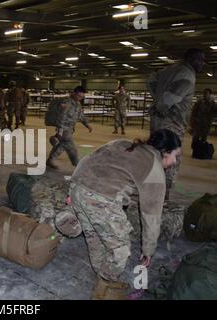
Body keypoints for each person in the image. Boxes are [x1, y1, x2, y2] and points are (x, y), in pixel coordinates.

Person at [69, 129, 182, 300]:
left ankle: (104, 277)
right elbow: (151, 217)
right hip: (101, 199)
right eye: (175, 156)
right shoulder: (155, 169)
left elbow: (88, 159)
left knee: (96, 238)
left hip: (78, 188)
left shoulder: (123, 143)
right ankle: (104, 289)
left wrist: (74, 190)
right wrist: (148, 251)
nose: (174, 162)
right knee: (120, 250)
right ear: (164, 152)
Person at [147, 48, 206, 200]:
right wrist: (161, 105)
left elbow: (151, 80)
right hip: (172, 123)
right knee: (170, 159)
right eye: (200, 59)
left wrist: (156, 98)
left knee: (155, 155)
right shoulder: (188, 74)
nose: (203, 63)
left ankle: (150, 190)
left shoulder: (168, 69)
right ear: (191, 59)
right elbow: (170, 98)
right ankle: (162, 197)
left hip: (157, 122)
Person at [46, 86, 92, 169]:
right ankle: (77, 163)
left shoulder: (77, 103)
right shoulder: (66, 102)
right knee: (71, 146)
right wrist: (60, 130)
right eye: (79, 96)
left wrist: (87, 124)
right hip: (64, 128)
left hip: (70, 128)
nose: (80, 98)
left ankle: (50, 160)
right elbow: (61, 116)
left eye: (82, 97)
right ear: (74, 93)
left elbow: (80, 115)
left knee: (62, 145)